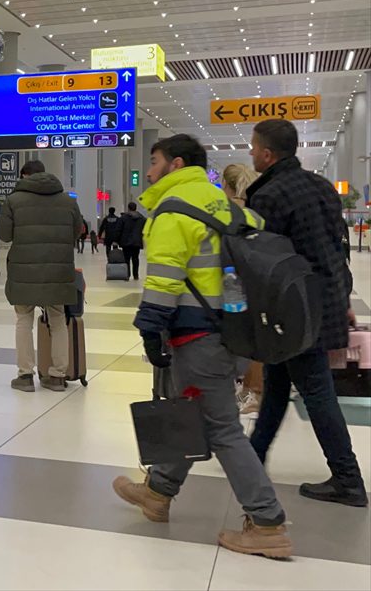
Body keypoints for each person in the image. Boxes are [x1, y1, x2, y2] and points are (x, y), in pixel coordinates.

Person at [113, 133, 291, 558]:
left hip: (198, 335)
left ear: (176, 164)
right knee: (191, 412)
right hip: (234, 332)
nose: (149, 172)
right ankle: (158, 492)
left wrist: (149, 329)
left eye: (154, 161)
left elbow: (164, 279)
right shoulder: (226, 206)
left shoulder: (173, 211)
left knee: (221, 428)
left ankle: (267, 522)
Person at [245, 119, 367, 508]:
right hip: (323, 300)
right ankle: (253, 457)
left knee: (316, 390)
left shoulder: (269, 195)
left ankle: (348, 479)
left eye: (253, 147)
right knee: (278, 382)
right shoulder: (321, 187)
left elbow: (264, 263)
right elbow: (335, 249)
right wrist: (343, 300)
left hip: (293, 310)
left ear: (267, 154)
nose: (251, 153)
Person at [0, 160, 83, 393]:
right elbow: (77, 232)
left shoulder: (13, 200)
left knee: (23, 320)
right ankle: (57, 376)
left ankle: (25, 375)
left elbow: (4, 235)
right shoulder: (68, 201)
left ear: (25, 175)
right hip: (58, 269)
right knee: (58, 320)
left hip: (23, 270)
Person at [221, 163, 264, 416]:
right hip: (256, 285)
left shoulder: (224, 212)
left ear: (226, 185)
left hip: (229, 284)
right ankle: (252, 389)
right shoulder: (257, 213)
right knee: (254, 339)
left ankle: (249, 390)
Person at [118, 202, 147, 281]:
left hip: (126, 241)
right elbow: (145, 229)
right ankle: (136, 275)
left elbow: (119, 229)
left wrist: (117, 240)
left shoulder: (123, 218)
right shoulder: (142, 218)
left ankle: (127, 275)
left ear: (128, 208)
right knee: (135, 258)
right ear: (136, 208)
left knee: (126, 259)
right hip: (137, 241)